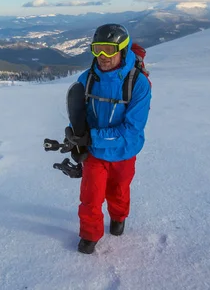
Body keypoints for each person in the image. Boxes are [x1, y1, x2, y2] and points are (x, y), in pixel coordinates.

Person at [66, 23, 152, 254]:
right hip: (95, 153)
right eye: (97, 49)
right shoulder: (88, 78)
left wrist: (90, 138)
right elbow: (78, 112)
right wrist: (74, 135)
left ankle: (118, 216)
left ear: (122, 50)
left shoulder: (138, 84)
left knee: (118, 191)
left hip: (124, 151)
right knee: (90, 196)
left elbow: (131, 130)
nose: (102, 56)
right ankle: (90, 235)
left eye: (109, 50)